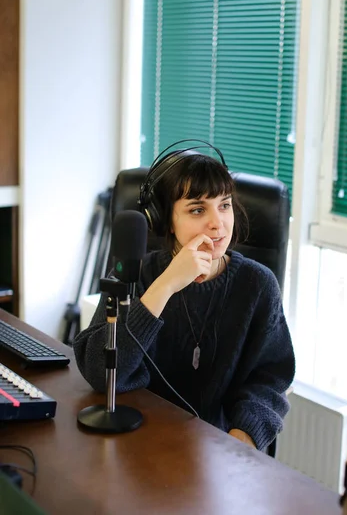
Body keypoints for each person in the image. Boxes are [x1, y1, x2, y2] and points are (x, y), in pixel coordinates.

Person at [73, 145, 295, 451]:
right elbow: (100, 372)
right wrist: (165, 286)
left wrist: (241, 439)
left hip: (222, 454)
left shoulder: (257, 284)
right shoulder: (135, 273)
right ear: (165, 220)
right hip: (140, 443)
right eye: (198, 209)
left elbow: (270, 378)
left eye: (225, 205)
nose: (218, 223)